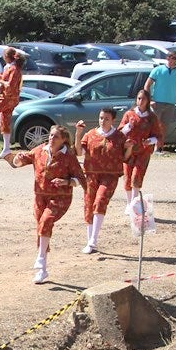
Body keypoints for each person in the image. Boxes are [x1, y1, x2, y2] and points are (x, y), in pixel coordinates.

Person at [4, 125, 85, 284]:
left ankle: (40, 259)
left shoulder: (68, 156)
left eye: (56, 136)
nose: (51, 138)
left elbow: (81, 179)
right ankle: (42, 270)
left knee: (46, 221)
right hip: (40, 197)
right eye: (51, 135)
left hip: (60, 197)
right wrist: (17, 159)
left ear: (63, 140)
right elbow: (20, 162)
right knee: (41, 229)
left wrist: (67, 181)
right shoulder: (40, 150)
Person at [74, 108, 128, 255]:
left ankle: (93, 239)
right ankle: (89, 241)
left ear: (113, 120)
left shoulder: (119, 136)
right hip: (91, 175)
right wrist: (78, 133)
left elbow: (126, 156)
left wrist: (129, 148)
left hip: (110, 176)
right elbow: (79, 152)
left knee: (100, 200)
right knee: (89, 205)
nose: (103, 121)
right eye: (101, 118)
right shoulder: (90, 135)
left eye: (106, 119)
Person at [118, 89, 165, 206]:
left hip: (143, 151)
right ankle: (129, 203)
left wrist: (151, 141)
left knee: (137, 176)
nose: (140, 101)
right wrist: (129, 125)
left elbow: (158, 135)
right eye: (139, 98)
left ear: (148, 101)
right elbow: (120, 133)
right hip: (129, 151)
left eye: (143, 99)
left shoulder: (151, 117)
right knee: (127, 177)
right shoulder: (129, 114)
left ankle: (134, 203)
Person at [144, 50, 176, 150]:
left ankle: (159, 148)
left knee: (164, 127)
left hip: (170, 104)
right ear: (168, 58)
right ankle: (148, 146)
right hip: (157, 103)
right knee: (154, 125)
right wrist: (150, 100)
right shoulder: (158, 70)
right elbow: (147, 85)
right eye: (174, 58)